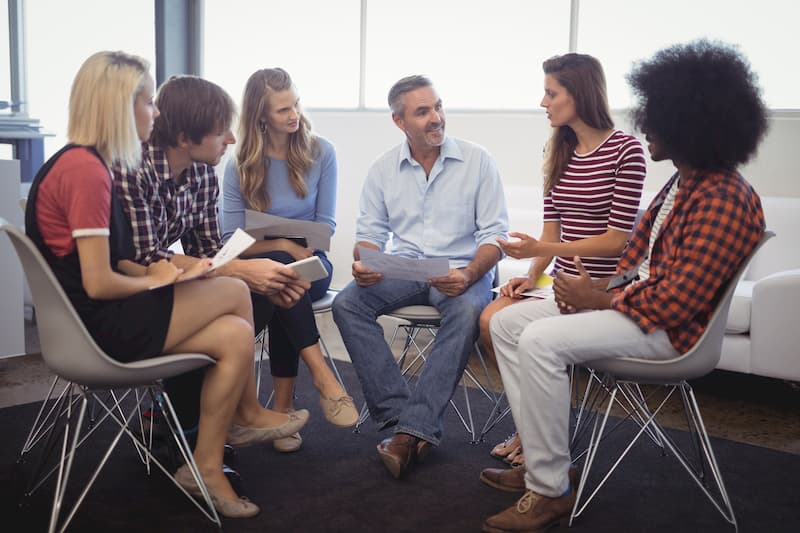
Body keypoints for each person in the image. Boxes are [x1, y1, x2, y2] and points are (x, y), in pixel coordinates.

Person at [480, 39, 768, 532]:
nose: (644, 128)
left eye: (655, 117)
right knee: (507, 324)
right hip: (637, 311)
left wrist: (601, 298)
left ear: (688, 123)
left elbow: (679, 300)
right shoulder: (682, 183)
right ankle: (544, 462)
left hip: (672, 333)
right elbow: (638, 262)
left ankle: (549, 492)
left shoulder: (721, 197)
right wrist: (579, 286)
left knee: (540, 341)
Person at [26, 51, 309, 519]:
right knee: (238, 291)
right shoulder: (90, 171)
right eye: (147, 102)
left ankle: (205, 467)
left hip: (109, 315)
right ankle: (245, 415)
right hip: (97, 328)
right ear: (118, 104)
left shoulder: (94, 165)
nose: (155, 113)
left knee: (237, 331)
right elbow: (99, 281)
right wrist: (160, 274)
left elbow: (129, 259)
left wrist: (163, 271)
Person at [112, 75, 312, 446]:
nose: (232, 140)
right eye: (222, 131)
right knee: (240, 289)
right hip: (127, 294)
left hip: (165, 284)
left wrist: (249, 273)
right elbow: (140, 258)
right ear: (186, 138)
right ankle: (197, 423)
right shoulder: (132, 167)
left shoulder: (204, 172)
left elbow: (206, 250)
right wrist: (240, 269)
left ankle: (196, 422)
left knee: (259, 291)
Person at [332, 75, 509, 479]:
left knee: (465, 311)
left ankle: (409, 432)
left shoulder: (478, 160)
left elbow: (495, 237)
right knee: (347, 303)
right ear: (399, 121)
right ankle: (403, 423)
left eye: (438, 107)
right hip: (406, 268)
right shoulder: (383, 170)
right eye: (423, 111)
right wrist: (367, 263)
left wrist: (467, 274)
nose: (436, 118)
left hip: (463, 268)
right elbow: (369, 238)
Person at [479, 53, 646, 467]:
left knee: (512, 328)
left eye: (551, 93)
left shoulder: (626, 151)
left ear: (580, 94)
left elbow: (615, 242)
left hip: (603, 294)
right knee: (495, 320)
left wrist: (541, 252)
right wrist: (531, 275)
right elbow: (552, 233)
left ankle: (537, 442)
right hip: (561, 288)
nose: (543, 102)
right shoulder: (560, 150)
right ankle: (536, 435)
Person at [222, 68, 358, 453]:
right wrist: (282, 240)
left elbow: (325, 227)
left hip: (313, 261)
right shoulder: (239, 164)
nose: (293, 115)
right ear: (260, 116)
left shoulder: (321, 151)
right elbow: (230, 240)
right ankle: (314, 384)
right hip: (266, 264)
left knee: (286, 280)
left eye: (295, 103)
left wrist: (296, 245)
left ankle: (280, 410)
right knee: (283, 279)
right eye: (282, 110)